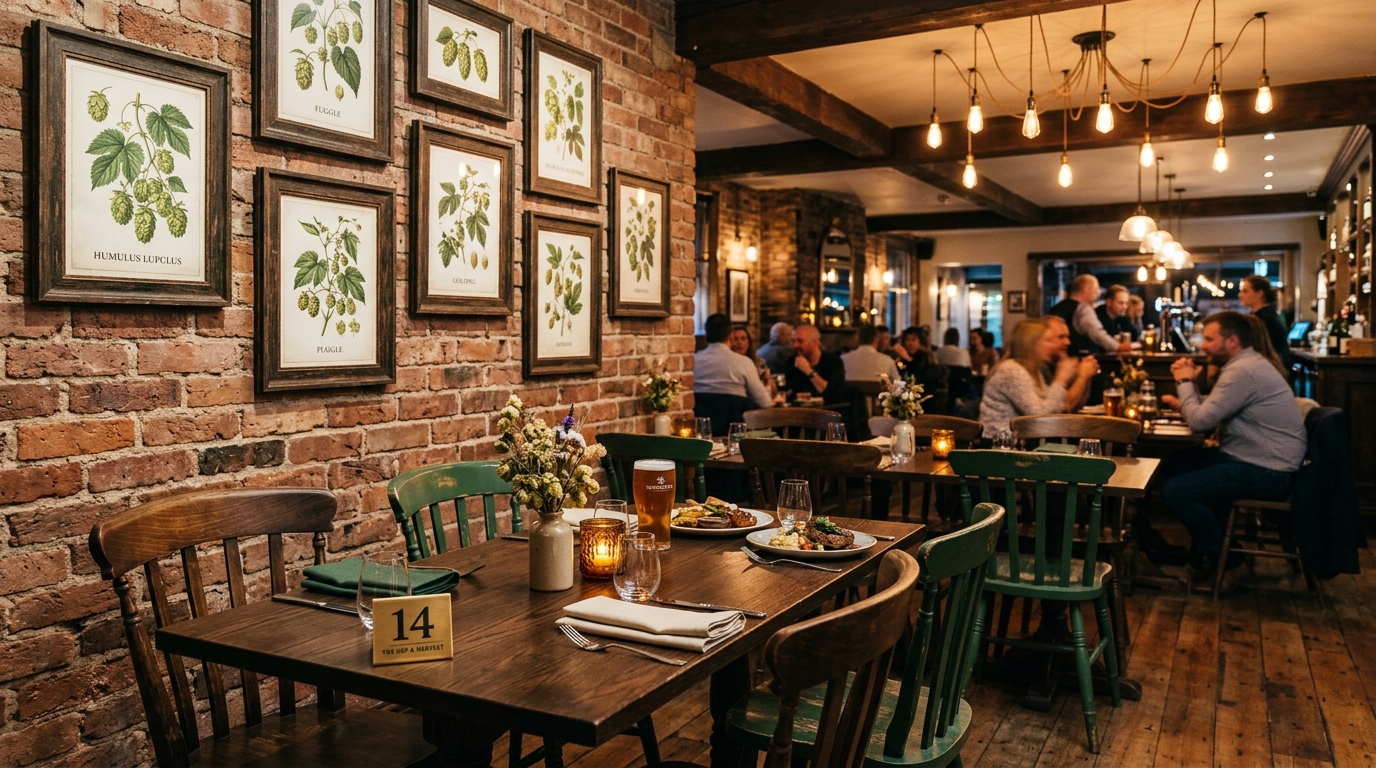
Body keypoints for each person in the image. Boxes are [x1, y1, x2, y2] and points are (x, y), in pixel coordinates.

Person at [1157, 311, 1307, 594]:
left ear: (1232, 341)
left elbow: (1200, 421)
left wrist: (1184, 381)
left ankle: (1232, 562)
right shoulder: (1248, 365)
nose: (1203, 345)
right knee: (1175, 464)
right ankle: (1216, 550)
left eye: (1210, 339)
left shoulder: (1243, 371)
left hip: (1268, 471)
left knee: (1177, 491)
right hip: (1260, 460)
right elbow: (1211, 411)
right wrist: (1190, 402)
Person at [979, 318, 1099, 439]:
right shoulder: (1011, 369)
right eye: (1047, 340)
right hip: (998, 447)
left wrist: (1082, 377)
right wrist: (1061, 379)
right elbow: (1039, 417)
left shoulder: (1033, 371)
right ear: (1030, 343)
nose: (1053, 346)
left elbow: (1057, 407)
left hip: (1017, 444)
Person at [693, 313, 772, 410]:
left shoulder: (693, 361)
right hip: (736, 423)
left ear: (706, 335)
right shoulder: (744, 362)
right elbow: (765, 402)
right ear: (730, 335)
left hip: (701, 422)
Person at [1048, 274, 1133, 355]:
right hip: (1074, 360)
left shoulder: (1057, 307)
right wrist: (1117, 347)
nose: (1098, 294)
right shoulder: (1083, 309)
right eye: (1096, 290)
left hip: (1053, 357)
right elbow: (1097, 334)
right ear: (1086, 289)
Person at [1238, 275, 1292, 372]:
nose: (1240, 295)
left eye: (1245, 291)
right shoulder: (1265, 315)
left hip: (1268, 372)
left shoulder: (1265, 319)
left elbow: (1257, 351)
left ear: (1259, 293)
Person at [785, 324, 847, 402]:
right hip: (798, 412)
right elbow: (784, 392)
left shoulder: (833, 361)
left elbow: (833, 394)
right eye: (793, 341)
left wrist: (808, 371)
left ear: (815, 343)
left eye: (800, 341)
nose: (795, 345)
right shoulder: (791, 362)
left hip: (826, 411)